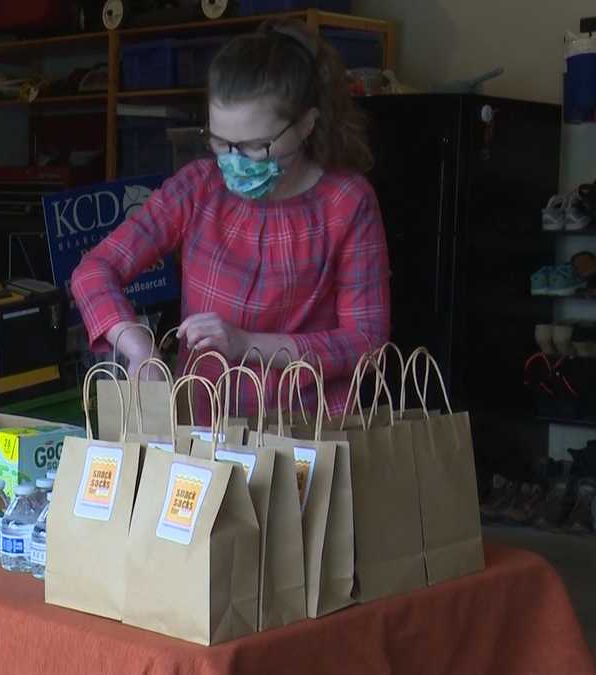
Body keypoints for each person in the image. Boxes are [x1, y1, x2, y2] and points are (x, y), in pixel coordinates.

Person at [70, 19, 389, 417]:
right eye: (221, 142)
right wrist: (139, 348)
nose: (234, 162)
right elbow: (94, 271)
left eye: (256, 147)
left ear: (307, 123)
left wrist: (246, 343)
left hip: (311, 438)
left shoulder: (347, 202)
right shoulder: (198, 187)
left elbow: (367, 342)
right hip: (205, 432)